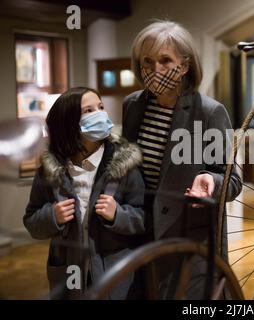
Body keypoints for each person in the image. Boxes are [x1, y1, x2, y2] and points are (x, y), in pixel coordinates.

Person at [122, 20, 242, 298]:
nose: (155, 69)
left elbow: (232, 180)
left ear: (184, 66)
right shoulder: (133, 106)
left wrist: (210, 180)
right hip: (142, 232)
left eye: (165, 60)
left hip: (189, 236)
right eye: (147, 61)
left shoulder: (209, 112)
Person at [24, 87, 146, 299]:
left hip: (115, 273)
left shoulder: (125, 165)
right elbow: (32, 222)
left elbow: (145, 218)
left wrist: (118, 215)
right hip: (69, 271)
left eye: (100, 107)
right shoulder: (48, 171)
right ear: (68, 121)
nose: (99, 113)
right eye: (88, 110)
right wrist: (52, 216)